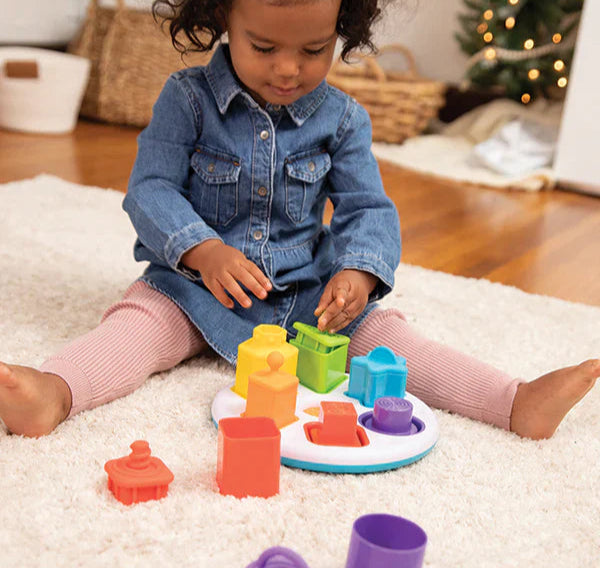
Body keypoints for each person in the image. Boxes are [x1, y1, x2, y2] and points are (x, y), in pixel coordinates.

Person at [0, 0, 598, 440]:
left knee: (389, 341)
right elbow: (150, 189)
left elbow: (368, 208)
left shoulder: (343, 119)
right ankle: (55, 392)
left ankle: (513, 401)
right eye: (263, 47)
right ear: (223, 21)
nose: (288, 69)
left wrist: (360, 275)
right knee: (135, 325)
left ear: (342, 30)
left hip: (304, 296)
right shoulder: (185, 98)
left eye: (314, 50)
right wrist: (201, 250)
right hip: (193, 289)